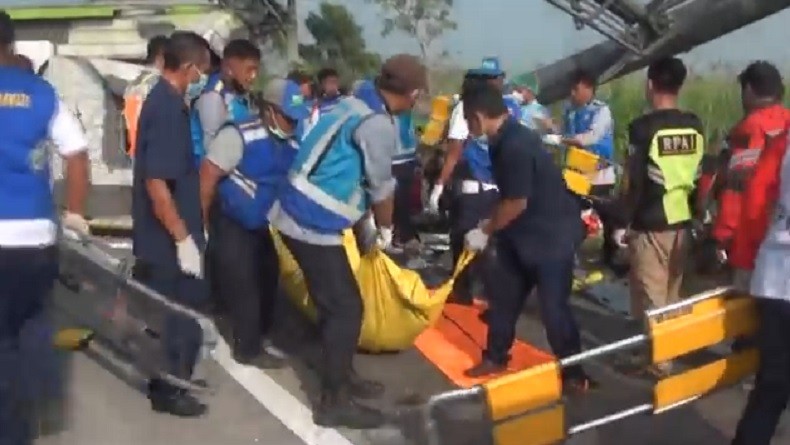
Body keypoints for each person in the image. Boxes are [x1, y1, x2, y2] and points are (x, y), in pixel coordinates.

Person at [268, 54, 427, 429]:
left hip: (297, 210)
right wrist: (386, 233)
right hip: (311, 221)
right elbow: (381, 189)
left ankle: (342, 374)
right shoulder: (378, 125)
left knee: (337, 304)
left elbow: (347, 170)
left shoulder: (354, 103)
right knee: (346, 309)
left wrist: (363, 227)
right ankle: (333, 400)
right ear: (413, 93)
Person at [459, 84, 593, 392]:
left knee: (554, 309)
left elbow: (517, 201)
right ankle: (495, 356)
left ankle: (574, 375)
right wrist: (491, 222)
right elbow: (510, 194)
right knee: (503, 299)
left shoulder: (515, 144)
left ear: (478, 117)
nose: (468, 128)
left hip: (550, 237)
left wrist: (485, 230)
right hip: (519, 232)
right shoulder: (502, 138)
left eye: (468, 120)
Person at [0, 10, 90, 444]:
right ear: (11, 43)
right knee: (30, 329)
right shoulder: (41, 92)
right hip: (35, 238)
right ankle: (24, 426)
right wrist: (74, 213)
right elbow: (76, 155)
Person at [198, 79, 308, 368]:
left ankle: (261, 333)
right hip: (231, 219)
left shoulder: (294, 141)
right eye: (287, 117)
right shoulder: (240, 135)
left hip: (263, 222)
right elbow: (208, 177)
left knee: (268, 275)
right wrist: (202, 224)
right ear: (270, 111)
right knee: (244, 283)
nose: (291, 124)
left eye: (296, 119)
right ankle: (247, 349)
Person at [131, 30, 211, 417]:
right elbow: (157, 182)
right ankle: (170, 390)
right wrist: (182, 239)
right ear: (190, 67)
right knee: (180, 315)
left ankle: (172, 380)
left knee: (178, 314)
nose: (203, 80)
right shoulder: (166, 108)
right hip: (167, 238)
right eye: (203, 72)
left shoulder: (171, 103)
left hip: (171, 231)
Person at [608, 57, 704, 375]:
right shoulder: (694, 125)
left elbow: (633, 181)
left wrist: (622, 221)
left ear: (650, 85)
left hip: (650, 222)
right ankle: (649, 351)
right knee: (668, 293)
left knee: (651, 296)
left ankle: (661, 362)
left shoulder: (642, 128)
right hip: (683, 221)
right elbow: (702, 176)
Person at [427, 59, 520, 304]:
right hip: (497, 188)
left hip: (474, 189)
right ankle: (485, 295)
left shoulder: (465, 109)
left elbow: (454, 151)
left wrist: (438, 187)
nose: (498, 83)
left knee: (466, 241)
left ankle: (468, 294)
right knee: (488, 242)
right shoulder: (509, 108)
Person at [703, 61, 790, 291]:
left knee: (744, 317)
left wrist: (722, 237)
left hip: (750, 243)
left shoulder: (749, 129)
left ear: (749, 90)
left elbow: (735, 188)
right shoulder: (787, 122)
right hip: (780, 237)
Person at [731, 126, 790, 445]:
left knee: (770, 389)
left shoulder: (784, 140)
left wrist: (747, 258)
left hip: (775, 277)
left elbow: (756, 200)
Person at [560, 70, 618, 270]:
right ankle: (571, 258)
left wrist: (563, 140)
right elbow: (565, 134)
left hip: (599, 173)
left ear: (588, 88)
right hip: (575, 175)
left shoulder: (601, 111)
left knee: (607, 217)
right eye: (571, 89)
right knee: (570, 215)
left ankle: (611, 258)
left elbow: (591, 137)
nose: (572, 93)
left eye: (576, 89)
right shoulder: (569, 110)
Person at [355, 77, 420, 250]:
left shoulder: (397, 111)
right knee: (382, 198)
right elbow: (381, 191)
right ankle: (383, 236)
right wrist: (385, 230)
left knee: (401, 202)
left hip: (404, 158)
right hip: (390, 159)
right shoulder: (376, 118)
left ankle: (395, 235)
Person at [191, 39, 261, 164]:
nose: (253, 76)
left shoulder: (239, 93)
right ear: (229, 68)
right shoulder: (213, 97)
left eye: (256, 71)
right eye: (249, 70)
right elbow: (211, 152)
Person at [123, 35, 168, 158]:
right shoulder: (158, 85)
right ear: (160, 58)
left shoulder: (133, 84)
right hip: (155, 153)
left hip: (136, 152)